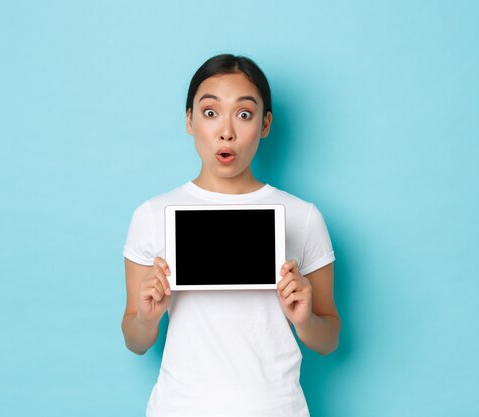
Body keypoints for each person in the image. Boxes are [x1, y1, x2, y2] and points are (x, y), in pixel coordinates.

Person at [122, 54, 340, 417]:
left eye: (244, 114)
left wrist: (304, 319)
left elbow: (329, 339)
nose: (226, 131)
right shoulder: (150, 215)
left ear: (265, 124)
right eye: (210, 113)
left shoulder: (303, 217)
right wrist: (147, 316)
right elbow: (135, 341)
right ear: (190, 121)